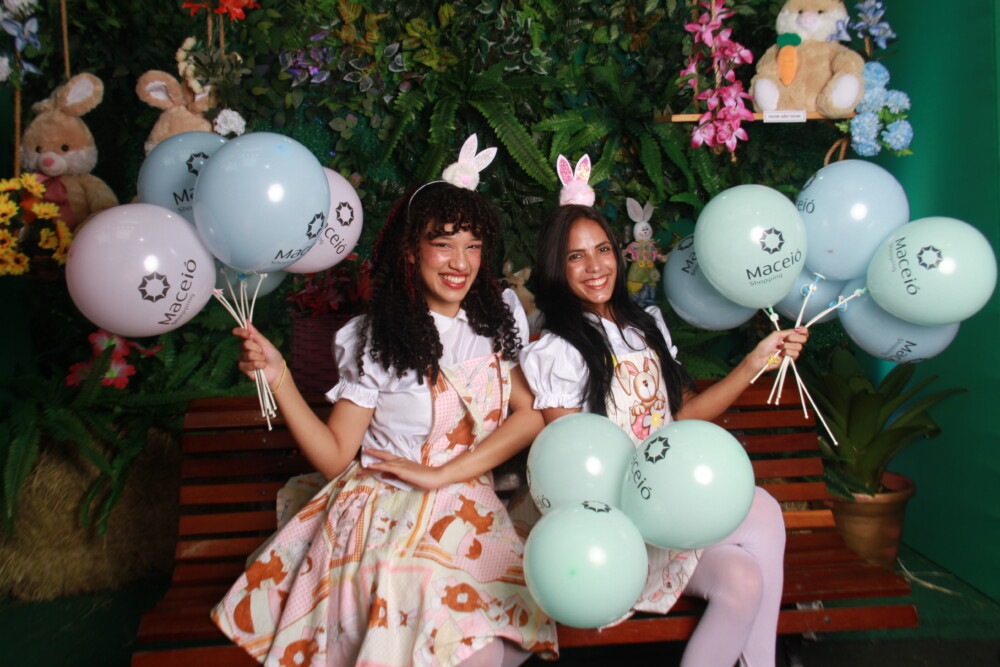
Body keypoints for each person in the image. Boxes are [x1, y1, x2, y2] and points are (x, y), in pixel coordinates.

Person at [211, 179, 558, 667]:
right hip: (389, 511)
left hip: (467, 506)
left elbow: (530, 415)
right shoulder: (376, 340)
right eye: (443, 244)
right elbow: (336, 456)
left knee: (501, 640)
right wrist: (278, 375)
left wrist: (446, 473)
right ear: (411, 251)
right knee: (457, 644)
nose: (460, 262)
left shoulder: (493, 322)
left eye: (473, 246)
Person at [518, 204, 809, 667]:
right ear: (557, 266)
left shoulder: (645, 325)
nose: (594, 266)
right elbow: (568, 462)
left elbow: (687, 414)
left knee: (742, 581)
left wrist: (755, 362)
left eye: (603, 250)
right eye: (576, 256)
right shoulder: (559, 350)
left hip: (671, 508)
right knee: (763, 509)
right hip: (619, 526)